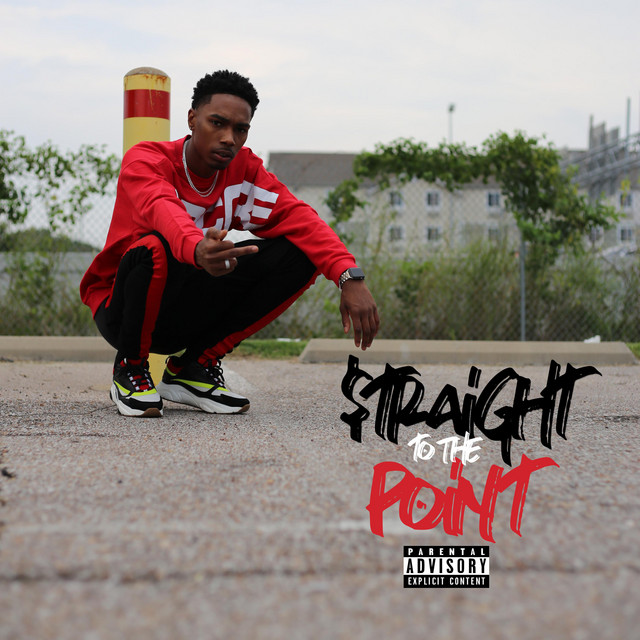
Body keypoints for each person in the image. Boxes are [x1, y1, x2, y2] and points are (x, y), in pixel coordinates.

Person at [80, 70, 379, 418]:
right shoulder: (147, 160)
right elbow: (163, 210)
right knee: (155, 247)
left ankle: (194, 367)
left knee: (301, 253)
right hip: (122, 308)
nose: (229, 138)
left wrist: (348, 275)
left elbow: (299, 217)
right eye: (217, 123)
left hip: (184, 307)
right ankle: (129, 368)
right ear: (192, 119)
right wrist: (197, 248)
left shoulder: (244, 172)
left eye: (240, 129)